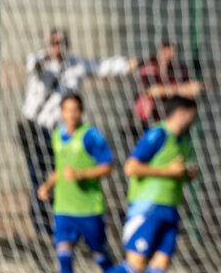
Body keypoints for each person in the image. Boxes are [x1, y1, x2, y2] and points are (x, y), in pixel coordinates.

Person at [79, 96, 200, 273]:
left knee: (160, 265)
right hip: (147, 209)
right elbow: (131, 167)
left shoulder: (184, 140)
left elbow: (173, 171)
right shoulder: (157, 135)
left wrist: (185, 174)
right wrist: (168, 172)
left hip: (170, 209)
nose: (194, 119)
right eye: (193, 114)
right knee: (135, 264)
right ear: (182, 113)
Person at [19, 28, 137, 239]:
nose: (57, 46)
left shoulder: (75, 66)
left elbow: (101, 67)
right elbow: (33, 65)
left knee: (59, 176)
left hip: (58, 132)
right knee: (38, 176)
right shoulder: (41, 63)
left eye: (61, 42)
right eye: (53, 42)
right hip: (35, 129)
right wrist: (43, 58)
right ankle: (41, 229)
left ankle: (59, 225)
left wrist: (126, 65)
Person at [36, 93, 120, 273]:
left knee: (101, 257)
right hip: (63, 207)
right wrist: (48, 185)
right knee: (63, 256)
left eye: (75, 110)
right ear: (61, 112)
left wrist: (82, 175)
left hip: (88, 209)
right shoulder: (57, 135)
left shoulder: (91, 135)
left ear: (81, 111)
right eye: (66, 110)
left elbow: (108, 166)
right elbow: (61, 169)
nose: (70, 114)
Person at [132, 42, 203, 128]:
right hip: (145, 119)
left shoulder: (179, 71)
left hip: (168, 121)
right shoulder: (148, 69)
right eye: (165, 53)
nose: (167, 58)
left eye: (171, 55)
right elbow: (149, 91)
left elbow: (189, 89)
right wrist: (181, 90)